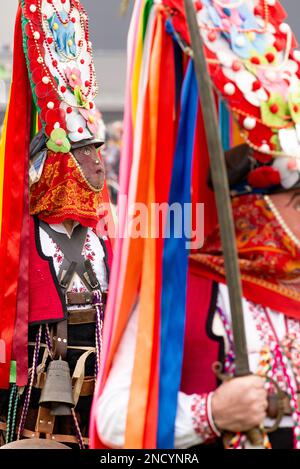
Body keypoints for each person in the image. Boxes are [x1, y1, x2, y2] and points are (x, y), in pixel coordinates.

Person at [90, 0, 300, 450]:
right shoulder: (188, 288)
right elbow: (113, 418)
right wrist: (212, 413)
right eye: (299, 202)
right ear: (255, 209)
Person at [0, 0, 112, 448]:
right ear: (57, 167)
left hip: (98, 395)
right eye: (84, 154)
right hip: (37, 393)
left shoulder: (108, 238)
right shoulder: (17, 240)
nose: (97, 163)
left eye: (97, 152)